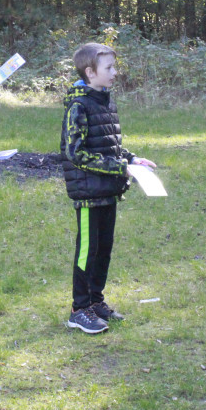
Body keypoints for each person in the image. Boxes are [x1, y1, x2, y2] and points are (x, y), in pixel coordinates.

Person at [60, 43, 156, 335]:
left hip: (108, 190)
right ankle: (79, 309)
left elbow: (109, 144)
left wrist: (131, 159)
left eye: (115, 67)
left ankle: (96, 301)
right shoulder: (78, 106)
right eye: (109, 68)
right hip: (89, 194)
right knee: (87, 252)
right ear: (90, 72)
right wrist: (119, 168)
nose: (115, 73)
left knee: (104, 250)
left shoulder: (104, 101)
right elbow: (75, 153)